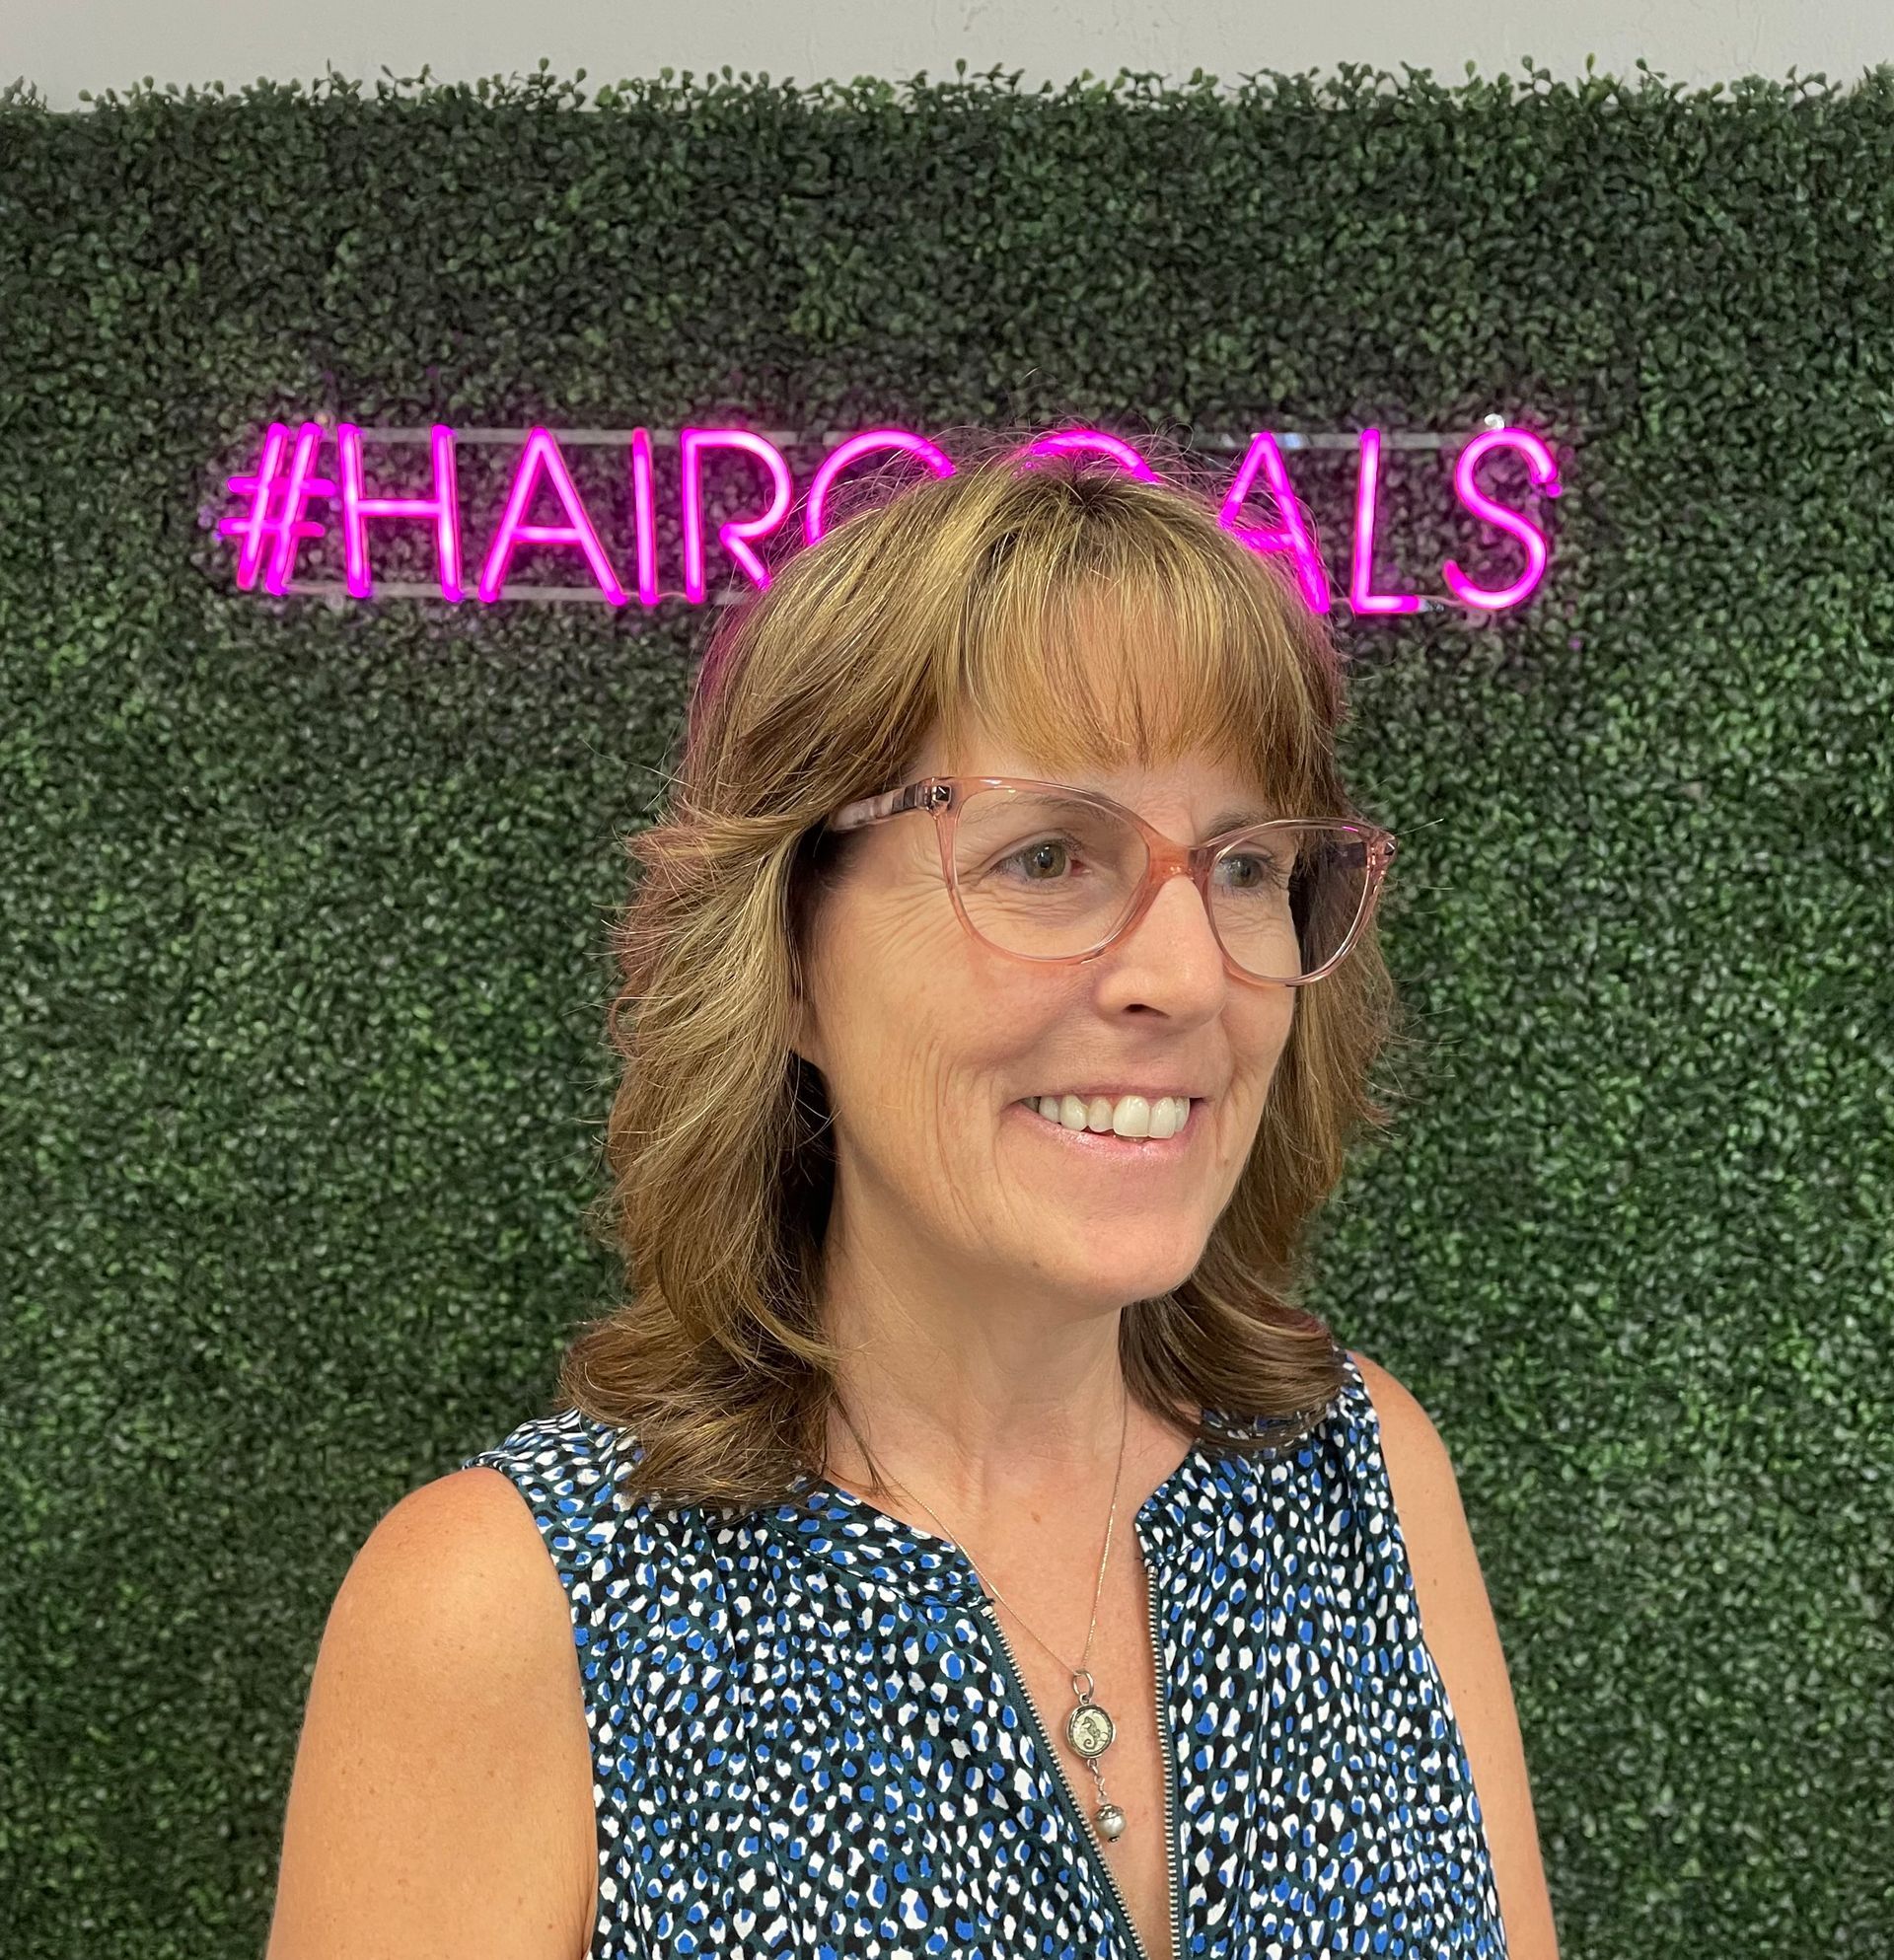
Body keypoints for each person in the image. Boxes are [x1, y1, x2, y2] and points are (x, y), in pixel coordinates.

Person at [265, 427, 1560, 1960]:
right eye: (1043, 859)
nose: (1183, 975)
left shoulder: (1362, 1474)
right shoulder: (506, 1615)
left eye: (1240, 867)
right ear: (792, 960)